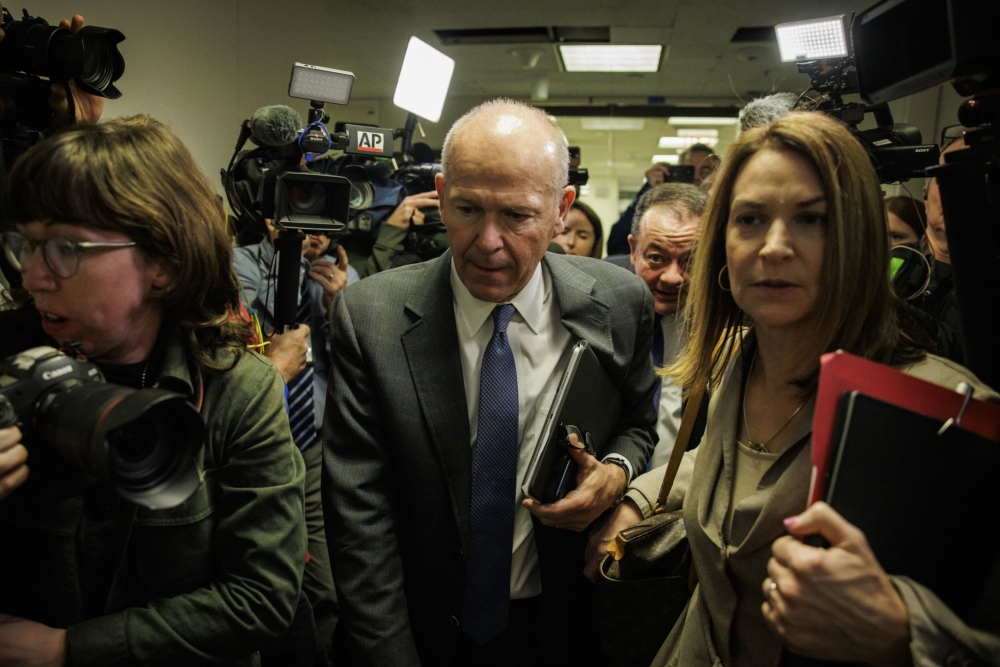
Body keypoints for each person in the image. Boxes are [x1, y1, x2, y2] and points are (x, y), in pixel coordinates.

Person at [588, 112, 1000, 666]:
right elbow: (725, 462)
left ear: (857, 238)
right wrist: (637, 500)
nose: (775, 246)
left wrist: (906, 633)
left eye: (812, 220)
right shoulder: (734, 361)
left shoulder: (945, 411)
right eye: (751, 219)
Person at [322, 98, 658, 667]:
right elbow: (360, 522)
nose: (488, 241)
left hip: (568, 625)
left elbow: (639, 423)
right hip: (420, 634)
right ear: (441, 195)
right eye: (468, 209)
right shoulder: (369, 316)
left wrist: (617, 475)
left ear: (561, 210)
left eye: (519, 216)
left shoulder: (620, 301)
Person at [0, 117, 306, 665]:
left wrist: (69, 650)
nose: (32, 278)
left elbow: (262, 597)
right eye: (28, 244)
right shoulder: (7, 362)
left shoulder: (237, 392)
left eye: (65, 249)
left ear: (162, 263)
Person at [233, 220, 357, 663]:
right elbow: (248, 332)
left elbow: (354, 356)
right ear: (271, 219)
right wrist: (293, 270)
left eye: (324, 226)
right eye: (302, 222)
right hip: (256, 430)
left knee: (325, 581)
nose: (315, 235)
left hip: (316, 435)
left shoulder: (343, 275)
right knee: (261, 572)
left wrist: (340, 303)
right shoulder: (238, 265)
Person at [627, 183, 707, 470]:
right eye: (657, 258)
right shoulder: (599, 311)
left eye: (689, 261)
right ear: (634, 251)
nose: (673, 277)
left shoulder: (731, 332)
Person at [606, 144, 718, 255]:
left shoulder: (722, 208)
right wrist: (649, 187)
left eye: (706, 170)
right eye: (689, 170)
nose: (697, 176)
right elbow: (617, 245)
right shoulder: (665, 210)